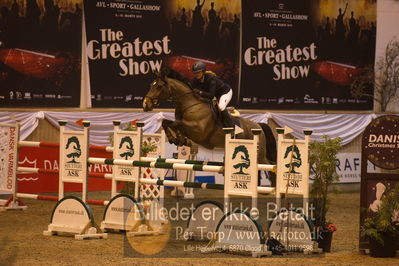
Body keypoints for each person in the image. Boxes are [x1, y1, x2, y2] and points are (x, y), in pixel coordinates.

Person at [191, 61, 233, 128]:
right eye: (195, 73)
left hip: (225, 92)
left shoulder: (211, 79)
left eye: (198, 72)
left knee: (221, 107)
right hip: (216, 95)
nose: (196, 74)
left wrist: (199, 92)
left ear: (203, 72)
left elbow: (211, 95)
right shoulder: (195, 80)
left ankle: (230, 127)